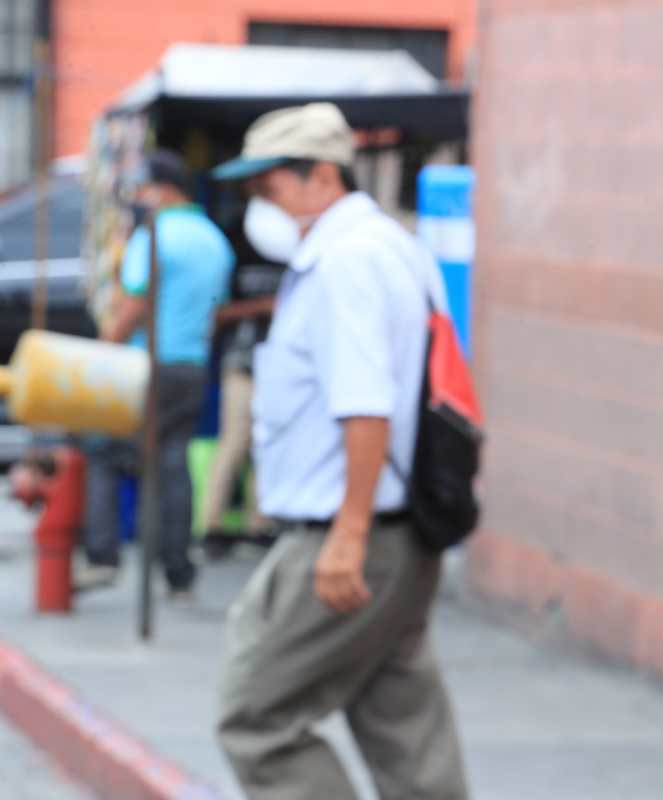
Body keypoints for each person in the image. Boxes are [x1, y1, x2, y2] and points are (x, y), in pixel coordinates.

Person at [212, 103, 469, 800]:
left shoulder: (346, 260)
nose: (260, 206)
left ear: (322, 176)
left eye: (269, 187)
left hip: (351, 534)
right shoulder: (384, 246)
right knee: (404, 734)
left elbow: (365, 405)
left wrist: (348, 537)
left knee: (257, 720)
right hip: (389, 530)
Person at [76, 150, 235, 597]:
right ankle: (179, 573)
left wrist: (101, 354)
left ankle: (102, 557)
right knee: (172, 464)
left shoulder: (155, 235)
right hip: (191, 365)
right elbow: (216, 310)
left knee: (104, 452)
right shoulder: (214, 240)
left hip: (146, 365)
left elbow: (133, 305)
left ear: (162, 189)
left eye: (144, 189)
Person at [201, 236, 283, 556]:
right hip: (242, 364)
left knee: (268, 444)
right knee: (234, 442)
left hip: (278, 367)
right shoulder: (236, 257)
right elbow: (215, 312)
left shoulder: (295, 259)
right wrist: (260, 307)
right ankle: (212, 525)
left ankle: (260, 523)